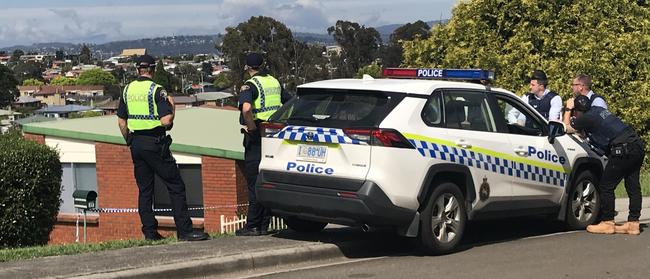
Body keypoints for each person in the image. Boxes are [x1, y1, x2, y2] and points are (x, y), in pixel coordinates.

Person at [117, 54, 208, 241]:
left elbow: (121, 122)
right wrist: (173, 108)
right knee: (175, 186)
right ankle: (184, 231)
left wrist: (129, 141)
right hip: (155, 143)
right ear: (152, 70)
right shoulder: (157, 90)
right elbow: (166, 121)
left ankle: (150, 233)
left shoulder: (126, 90)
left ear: (137, 70)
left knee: (145, 190)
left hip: (136, 144)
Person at [565, 95, 644, 235]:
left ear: (578, 111)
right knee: (633, 186)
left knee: (606, 186)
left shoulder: (585, 117)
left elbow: (567, 127)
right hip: (636, 145)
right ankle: (633, 223)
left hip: (622, 150)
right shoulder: (597, 110)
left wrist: (567, 109)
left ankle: (607, 222)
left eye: (574, 111)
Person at [236, 52, 292, 236]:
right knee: (267, 179)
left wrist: (251, 128)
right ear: (263, 65)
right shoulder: (274, 82)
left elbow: (246, 108)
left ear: (247, 68)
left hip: (258, 134)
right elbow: (291, 102)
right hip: (275, 135)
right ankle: (263, 225)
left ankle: (252, 225)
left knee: (254, 180)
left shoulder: (250, 85)